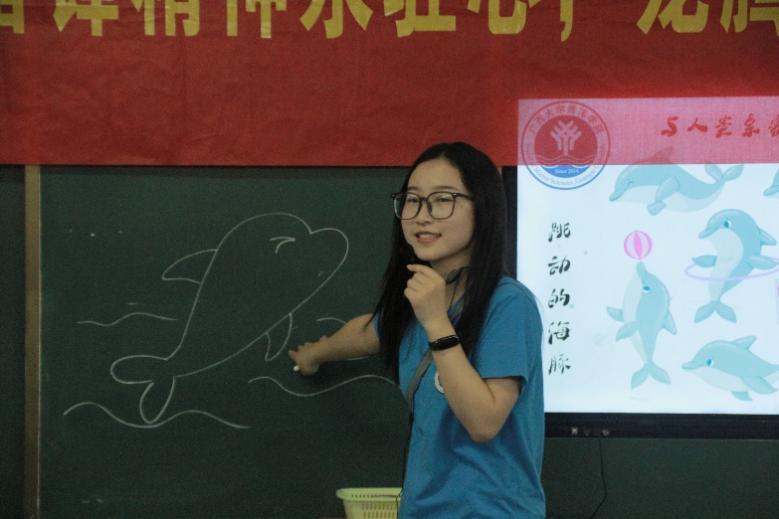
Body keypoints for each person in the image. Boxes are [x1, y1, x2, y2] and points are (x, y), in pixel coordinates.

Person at [288, 142, 545, 518]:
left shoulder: (508, 304)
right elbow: (366, 333)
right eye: (412, 200)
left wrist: (437, 322)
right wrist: (315, 353)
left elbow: (484, 422)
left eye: (443, 200)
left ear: (483, 208)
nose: (422, 216)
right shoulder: (416, 304)